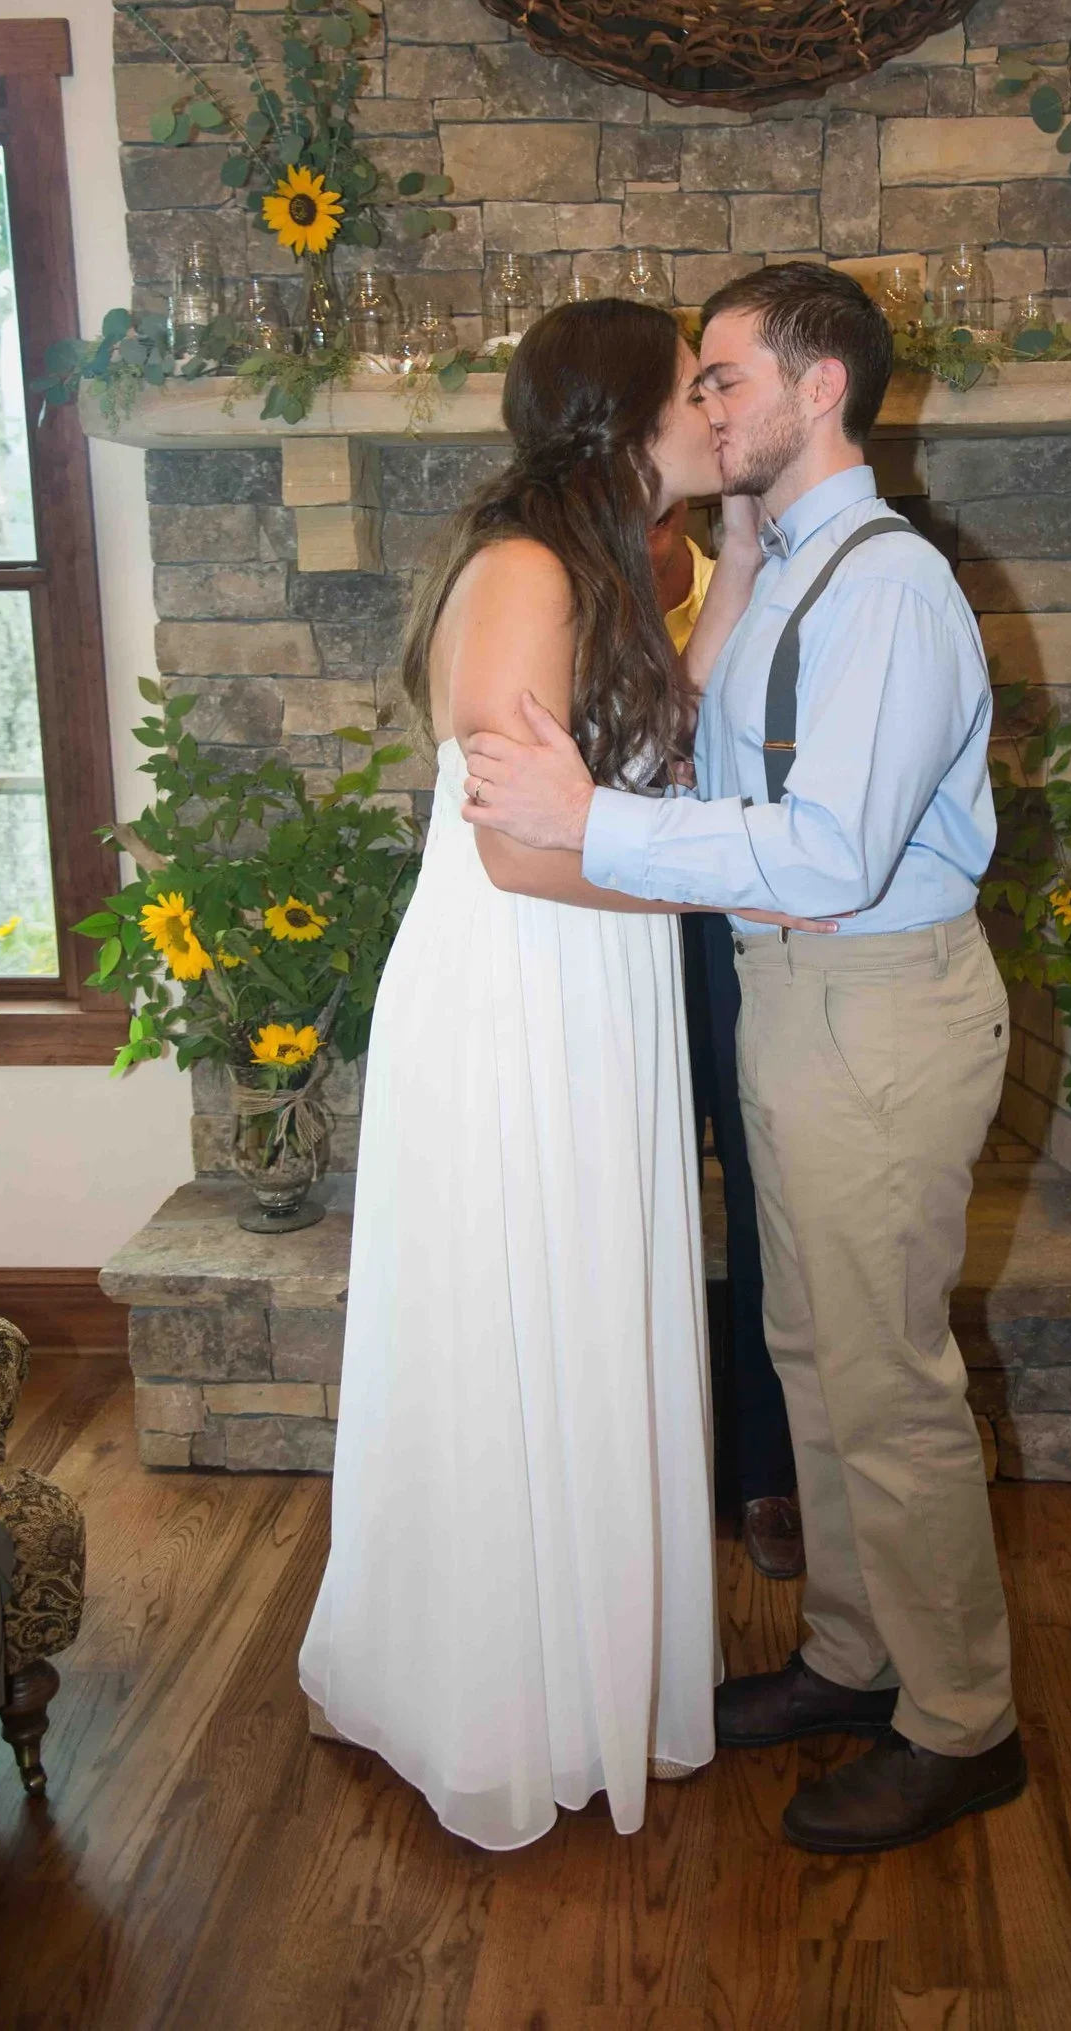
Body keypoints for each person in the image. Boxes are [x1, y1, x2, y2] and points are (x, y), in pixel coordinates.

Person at [461, 262, 1025, 1856]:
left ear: (820, 383)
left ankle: (961, 1720)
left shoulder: (893, 589)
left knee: (890, 1380)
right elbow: (714, 727)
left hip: (878, 996)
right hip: (790, 998)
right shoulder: (784, 559)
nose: (700, 407)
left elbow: (834, 847)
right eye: (696, 385)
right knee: (811, 1351)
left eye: (722, 377)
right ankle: (855, 1657)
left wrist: (588, 823)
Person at [298, 298, 828, 1852]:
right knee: (515, 1324)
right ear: (622, 418)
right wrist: (736, 884)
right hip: (518, 992)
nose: (710, 409)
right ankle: (497, 1699)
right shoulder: (523, 571)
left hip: (598, 991)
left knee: (592, 1317)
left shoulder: (613, 561)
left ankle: (596, 1677)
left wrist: (734, 528)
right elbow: (524, 853)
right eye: (692, 391)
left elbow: (669, 711)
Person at [650, 501, 803, 1581]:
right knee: (632, 1195)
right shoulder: (561, 581)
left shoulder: (762, 572)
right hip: (604, 927)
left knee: (761, 1190)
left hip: (733, 925)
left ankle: (768, 1471)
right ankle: (640, 1472)